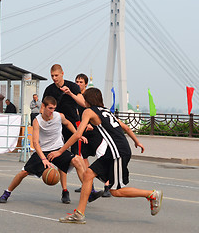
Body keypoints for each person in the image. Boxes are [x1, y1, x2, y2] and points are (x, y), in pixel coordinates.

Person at [47, 88, 163, 224]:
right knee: (88, 174)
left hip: (118, 151)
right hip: (114, 150)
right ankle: (79, 214)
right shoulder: (106, 111)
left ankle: (151, 194)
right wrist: (137, 141)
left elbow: (78, 134)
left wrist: (60, 151)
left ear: (88, 100)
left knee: (116, 191)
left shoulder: (88, 111)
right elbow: (126, 127)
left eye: (84, 98)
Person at [0, 96, 103, 204]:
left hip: (57, 149)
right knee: (23, 172)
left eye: (54, 108)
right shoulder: (37, 121)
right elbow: (35, 143)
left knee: (77, 161)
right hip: (43, 151)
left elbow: (67, 123)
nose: (52, 111)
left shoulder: (59, 116)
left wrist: (77, 134)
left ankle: (90, 192)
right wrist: (44, 159)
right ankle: (7, 192)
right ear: (43, 106)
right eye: (50, 108)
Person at [42, 64, 89, 204]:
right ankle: (65, 191)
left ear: (62, 73)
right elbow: (42, 109)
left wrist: (70, 94)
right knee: (62, 160)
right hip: (57, 127)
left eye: (56, 75)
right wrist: (47, 119)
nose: (54, 78)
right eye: (52, 76)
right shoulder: (49, 90)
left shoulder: (72, 86)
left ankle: (88, 188)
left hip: (72, 125)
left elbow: (83, 103)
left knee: (78, 158)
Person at [74, 73, 111, 197]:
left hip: (95, 132)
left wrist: (91, 124)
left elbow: (98, 113)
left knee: (102, 157)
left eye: (80, 82)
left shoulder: (89, 98)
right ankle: (89, 184)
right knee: (83, 157)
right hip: (84, 132)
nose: (78, 84)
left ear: (85, 84)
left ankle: (107, 185)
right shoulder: (77, 98)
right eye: (77, 82)